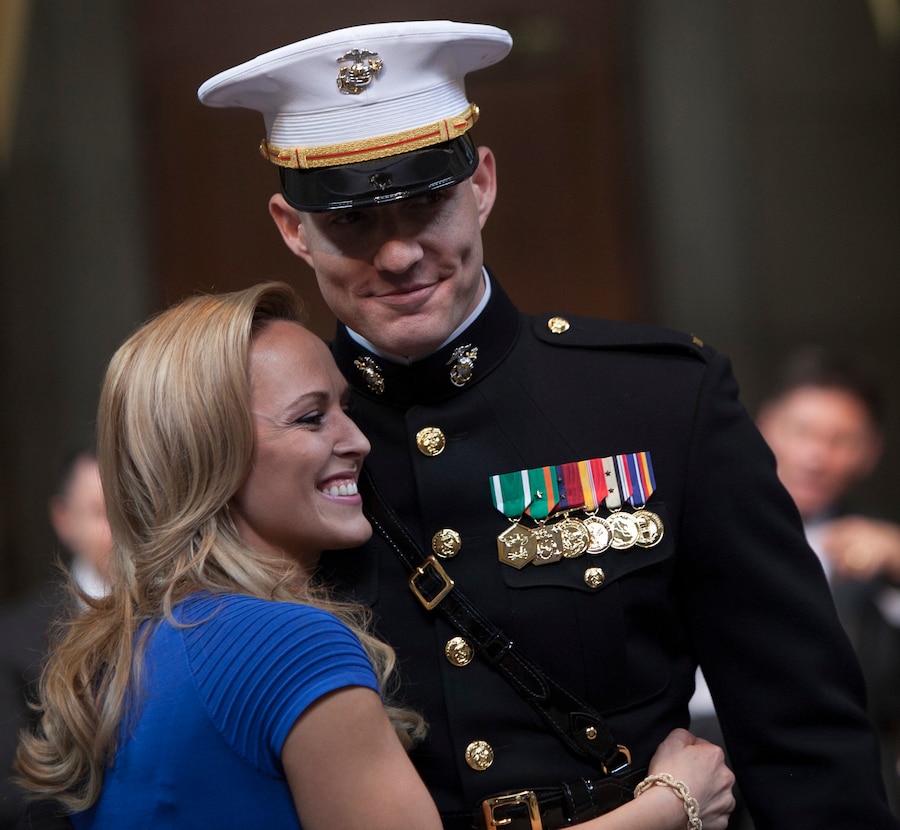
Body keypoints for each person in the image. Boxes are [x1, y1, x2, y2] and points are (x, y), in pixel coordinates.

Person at [197, 21, 898, 828]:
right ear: (293, 228)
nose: (397, 256)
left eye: (427, 203)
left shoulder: (660, 399)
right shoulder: (263, 444)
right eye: (352, 221)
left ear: (483, 184)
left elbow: (800, 727)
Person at [13, 282, 734, 830]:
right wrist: (670, 804)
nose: (357, 444)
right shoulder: (288, 642)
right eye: (311, 418)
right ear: (210, 454)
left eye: (347, 410)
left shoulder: (123, 639)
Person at [755, 346, 900, 812]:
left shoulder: (881, 549)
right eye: (802, 431)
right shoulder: (703, 526)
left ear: (870, 452)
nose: (817, 456)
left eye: (842, 440)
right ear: (764, 425)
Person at [0, 450, 112, 829]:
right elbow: (15, 791)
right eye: (100, 513)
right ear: (65, 519)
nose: (119, 530)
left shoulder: (182, 612)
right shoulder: (15, 640)